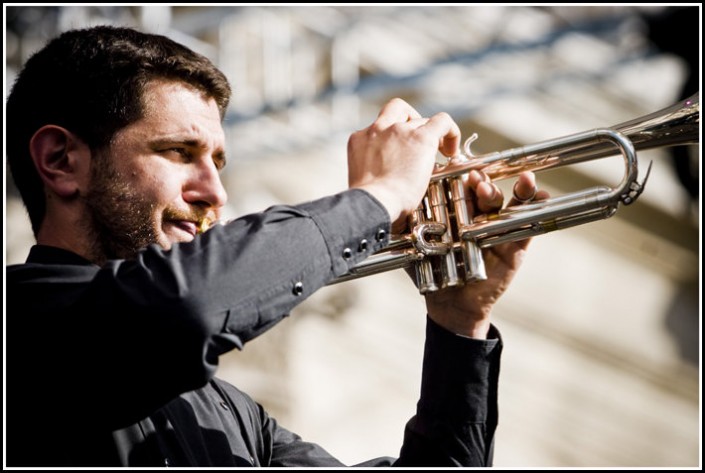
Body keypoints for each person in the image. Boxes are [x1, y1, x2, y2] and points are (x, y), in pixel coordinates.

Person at [5, 25, 545, 467]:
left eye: (217, 162)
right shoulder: (20, 325)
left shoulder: (239, 419)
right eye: (178, 152)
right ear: (60, 160)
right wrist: (379, 197)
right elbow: (185, 306)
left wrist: (458, 327)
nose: (214, 191)